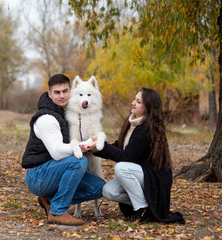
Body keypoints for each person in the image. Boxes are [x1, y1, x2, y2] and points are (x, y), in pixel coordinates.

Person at [82, 88, 185, 224]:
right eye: (134, 99)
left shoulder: (147, 129)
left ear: (148, 108)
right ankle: (148, 204)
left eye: (138, 101)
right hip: (139, 174)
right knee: (108, 191)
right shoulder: (133, 123)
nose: (133, 103)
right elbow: (120, 146)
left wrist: (102, 146)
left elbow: (126, 157)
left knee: (121, 167)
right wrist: (95, 148)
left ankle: (141, 207)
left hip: (153, 177)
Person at [21, 74, 106, 226]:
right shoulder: (46, 118)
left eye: (65, 91)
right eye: (57, 92)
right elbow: (57, 152)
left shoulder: (68, 113)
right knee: (77, 162)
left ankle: (51, 199)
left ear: (71, 91)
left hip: (56, 170)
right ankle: (57, 211)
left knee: (99, 187)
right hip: (38, 175)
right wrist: (83, 145)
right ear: (50, 94)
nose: (62, 96)